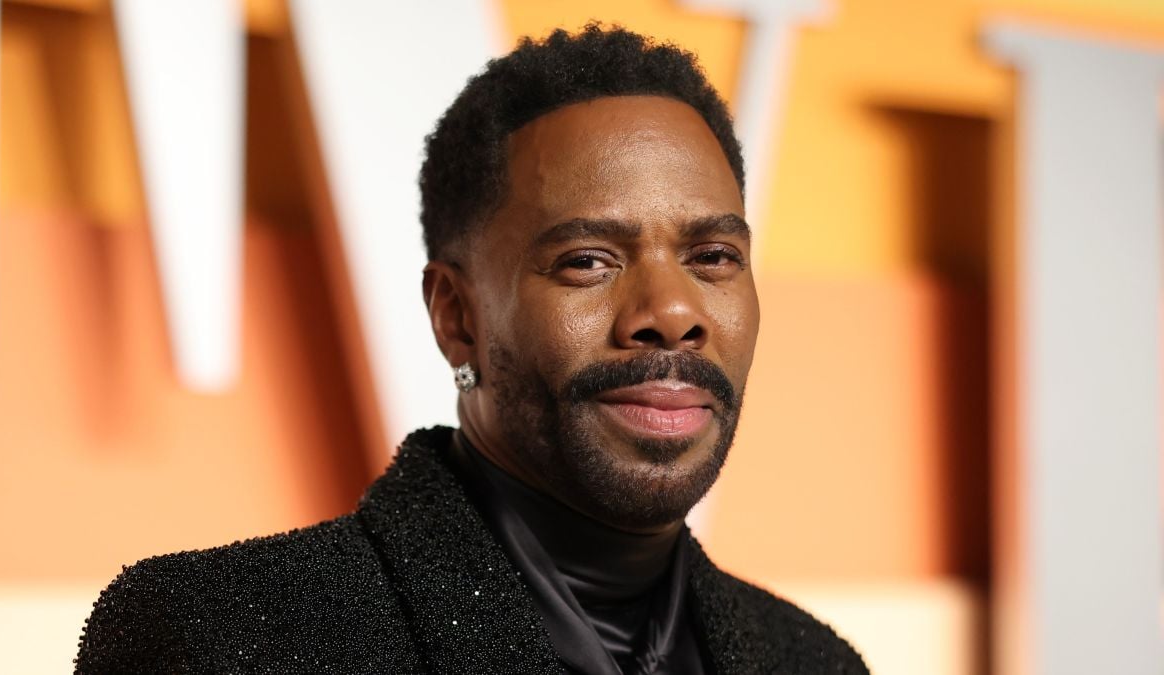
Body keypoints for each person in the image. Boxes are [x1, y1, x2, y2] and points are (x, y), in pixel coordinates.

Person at [75, 24, 868, 674]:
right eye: (588, 260)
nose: (671, 312)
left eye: (714, 257)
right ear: (457, 318)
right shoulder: (212, 636)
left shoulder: (815, 662)